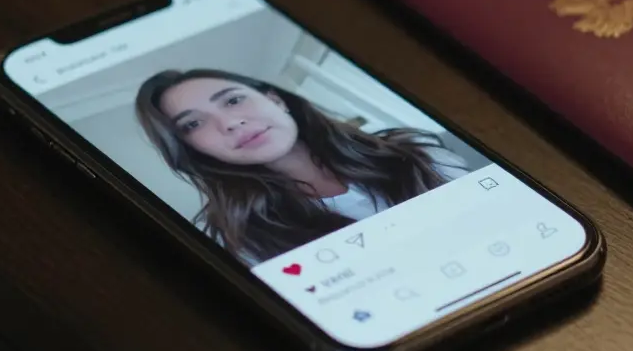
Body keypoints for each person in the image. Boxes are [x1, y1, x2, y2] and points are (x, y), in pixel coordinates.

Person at [135, 68, 470, 265]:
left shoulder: (417, 154)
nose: (231, 122)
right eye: (193, 124)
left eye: (234, 100)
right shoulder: (241, 241)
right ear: (192, 149)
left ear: (276, 100)